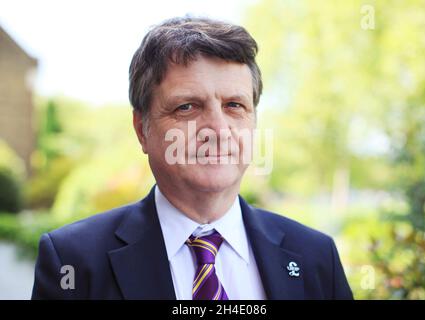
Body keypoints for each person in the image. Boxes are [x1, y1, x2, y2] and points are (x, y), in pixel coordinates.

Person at [32, 16, 353, 300]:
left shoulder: (316, 257)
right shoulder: (73, 262)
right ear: (142, 129)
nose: (217, 129)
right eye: (187, 107)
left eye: (234, 106)